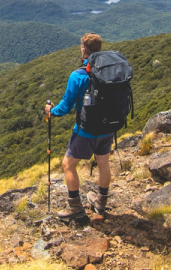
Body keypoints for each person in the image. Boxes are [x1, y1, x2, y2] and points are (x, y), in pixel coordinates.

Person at [44, 33, 113, 219]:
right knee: (103, 163)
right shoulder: (109, 72)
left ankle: (75, 208)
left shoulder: (78, 76)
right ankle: (101, 203)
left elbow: (65, 107)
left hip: (86, 130)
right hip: (108, 128)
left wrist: (51, 111)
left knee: (68, 164)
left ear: (83, 50)